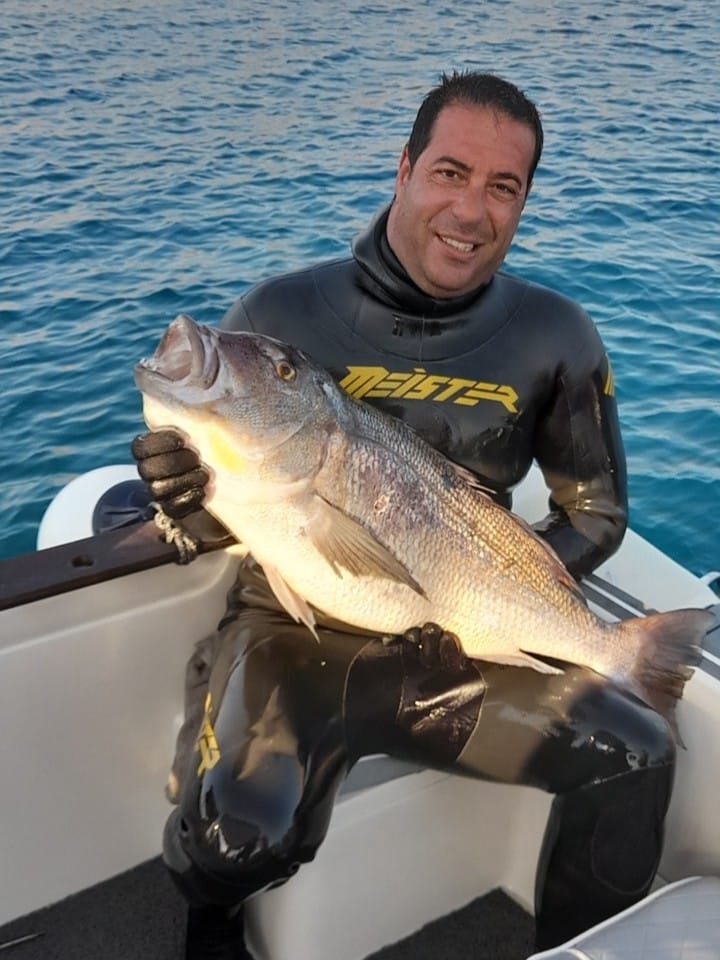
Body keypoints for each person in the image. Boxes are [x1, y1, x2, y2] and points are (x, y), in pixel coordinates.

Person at [133, 71, 675, 959]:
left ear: (526, 201)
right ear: (404, 169)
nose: (471, 209)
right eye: (451, 172)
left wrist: (499, 596)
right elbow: (204, 528)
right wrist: (180, 499)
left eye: (504, 187)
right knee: (237, 836)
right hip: (289, 634)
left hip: (450, 644)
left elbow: (598, 513)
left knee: (642, 748)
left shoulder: (558, 335)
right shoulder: (278, 316)